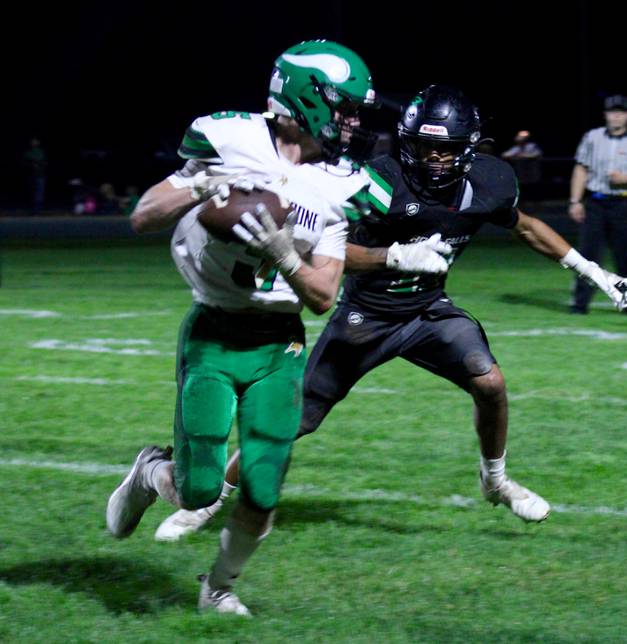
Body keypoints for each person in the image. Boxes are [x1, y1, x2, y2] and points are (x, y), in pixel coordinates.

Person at [155, 85, 627, 541]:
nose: (434, 159)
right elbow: (334, 257)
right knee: (294, 417)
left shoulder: (489, 181)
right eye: (424, 148)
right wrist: (396, 255)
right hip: (368, 314)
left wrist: (590, 271)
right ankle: (207, 500)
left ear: (469, 148)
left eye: (445, 149)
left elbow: (524, 227)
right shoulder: (377, 180)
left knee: (490, 382)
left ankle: (496, 481)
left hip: (428, 311)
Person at [104, 40, 446, 616]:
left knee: (262, 488)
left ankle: (218, 589)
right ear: (306, 98)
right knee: (199, 490)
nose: (354, 121)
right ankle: (150, 471)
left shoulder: (345, 184)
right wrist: (198, 187)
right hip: (213, 333)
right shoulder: (227, 138)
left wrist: (287, 255)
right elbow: (142, 216)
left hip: (279, 344)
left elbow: (322, 296)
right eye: (345, 107)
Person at [567, 95, 627, 315]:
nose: (616, 115)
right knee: (587, 257)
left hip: (623, 203)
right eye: (611, 111)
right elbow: (581, 169)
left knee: (625, 256)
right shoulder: (592, 138)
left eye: (621, 111)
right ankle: (580, 304)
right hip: (595, 203)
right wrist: (575, 201)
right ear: (605, 114)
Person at [501, 130, 543, 204]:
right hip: (521, 173)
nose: (519, 139)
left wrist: (522, 156)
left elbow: (537, 154)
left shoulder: (532, 146)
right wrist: (517, 155)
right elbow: (505, 155)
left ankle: (536, 203)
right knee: (522, 189)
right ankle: (522, 203)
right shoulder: (516, 148)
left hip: (532, 172)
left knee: (534, 188)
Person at [23, 137, 47, 212]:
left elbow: (45, 162)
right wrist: (31, 165)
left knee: (40, 192)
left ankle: (38, 208)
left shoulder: (42, 152)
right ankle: (32, 208)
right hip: (31, 175)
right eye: (33, 141)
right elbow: (24, 163)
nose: (34, 143)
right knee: (32, 192)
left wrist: (40, 165)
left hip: (40, 175)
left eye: (35, 141)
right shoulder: (28, 152)